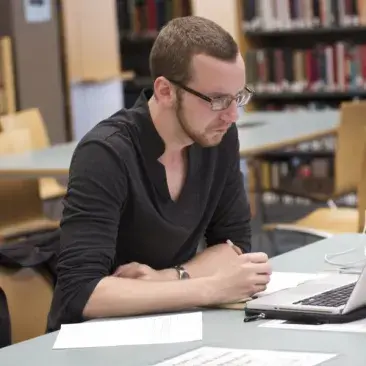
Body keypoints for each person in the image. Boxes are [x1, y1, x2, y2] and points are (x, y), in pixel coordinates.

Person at [47, 15, 271, 331]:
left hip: (169, 324)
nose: (232, 115)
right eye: (218, 100)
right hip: (92, 340)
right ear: (165, 91)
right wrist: (209, 287)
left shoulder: (216, 136)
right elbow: (82, 293)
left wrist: (168, 278)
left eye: (238, 97)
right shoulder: (105, 154)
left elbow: (234, 249)